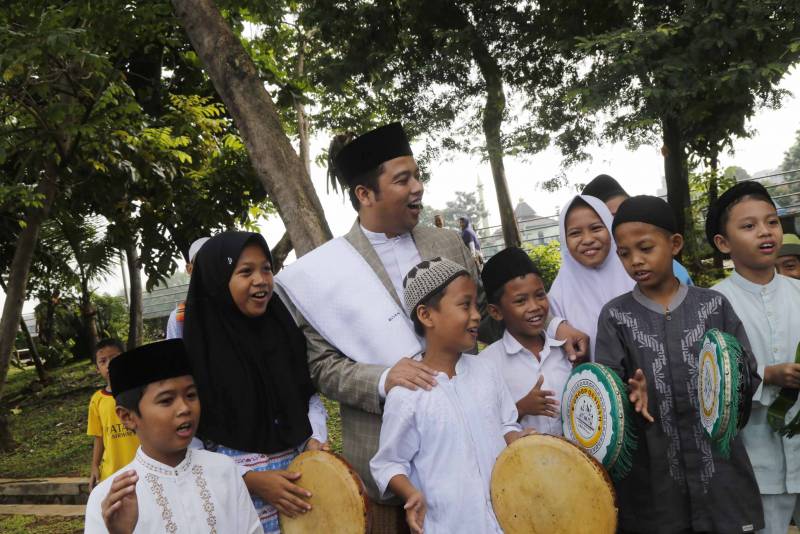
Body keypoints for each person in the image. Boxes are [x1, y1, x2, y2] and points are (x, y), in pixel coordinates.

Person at [275, 122, 587, 531]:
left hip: (473, 460)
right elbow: (323, 369)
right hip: (384, 469)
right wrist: (386, 379)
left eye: (417, 175)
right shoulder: (325, 273)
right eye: (403, 179)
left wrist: (554, 326)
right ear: (365, 194)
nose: (417, 187)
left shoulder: (447, 244)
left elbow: (488, 317)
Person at [595, 195, 763, 533]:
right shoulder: (616, 316)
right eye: (624, 253)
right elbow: (605, 395)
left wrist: (725, 384)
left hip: (720, 478)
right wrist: (628, 393)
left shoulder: (713, 306)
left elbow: (747, 375)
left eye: (645, 248)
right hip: (655, 486)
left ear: (674, 244)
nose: (635, 261)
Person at [370, 258, 531, 534]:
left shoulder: (486, 371)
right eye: (465, 305)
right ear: (426, 315)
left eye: (476, 305)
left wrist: (523, 441)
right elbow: (389, 463)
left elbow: (507, 425)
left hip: (509, 520)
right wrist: (410, 493)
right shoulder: (407, 394)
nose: (477, 315)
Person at [182, 232, 328, 534]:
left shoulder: (283, 336)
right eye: (246, 271)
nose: (261, 280)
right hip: (236, 507)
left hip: (300, 498)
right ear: (217, 281)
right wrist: (249, 480)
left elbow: (307, 398)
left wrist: (313, 441)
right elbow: (188, 441)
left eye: (266, 269)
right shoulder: (196, 358)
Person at [84, 339, 263, 533]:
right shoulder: (107, 499)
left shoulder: (224, 470)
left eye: (191, 395)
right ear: (127, 417)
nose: (185, 408)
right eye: (167, 400)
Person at [707, 182, 800, 534]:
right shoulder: (712, 305)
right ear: (723, 243)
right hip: (756, 461)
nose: (765, 232)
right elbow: (710, 385)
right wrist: (766, 375)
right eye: (749, 226)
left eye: (771, 222)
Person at [480, 247, 569, 435]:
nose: (535, 307)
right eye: (521, 301)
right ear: (496, 312)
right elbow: (483, 426)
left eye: (540, 295)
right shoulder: (487, 364)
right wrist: (521, 408)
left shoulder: (565, 350)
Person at [548, 195, 635, 359]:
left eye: (596, 228)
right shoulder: (558, 295)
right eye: (575, 233)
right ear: (565, 239)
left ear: (610, 228)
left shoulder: (635, 272)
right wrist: (555, 326)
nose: (587, 240)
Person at [582, 173, 693, 285]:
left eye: (646, 248)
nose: (623, 222)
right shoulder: (579, 280)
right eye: (609, 218)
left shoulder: (672, 271)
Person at [87, 338, 139, 488]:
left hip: (143, 467)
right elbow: (99, 437)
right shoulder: (97, 400)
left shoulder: (139, 391)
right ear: (97, 368)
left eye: (114, 358)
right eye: (103, 361)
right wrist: (95, 466)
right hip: (113, 473)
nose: (109, 364)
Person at [165, 237, 209, 339]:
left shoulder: (239, 304)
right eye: (202, 261)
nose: (210, 267)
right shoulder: (179, 318)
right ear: (190, 269)